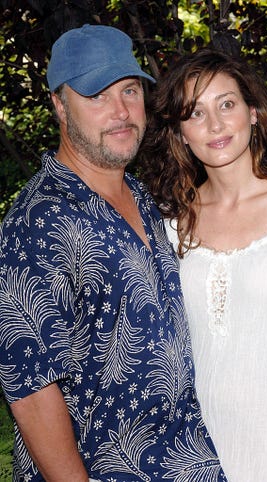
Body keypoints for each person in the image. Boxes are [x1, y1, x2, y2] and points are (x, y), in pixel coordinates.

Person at [0, 26, 227, 482]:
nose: (121, 111)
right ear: (59, 105)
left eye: (128, 89)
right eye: (96, 95)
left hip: (189, 462)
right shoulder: (37, 223)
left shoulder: (142, 196)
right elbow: (30, 388)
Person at [139, 47, 267, 481]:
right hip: (187, 459)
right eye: (196, 113)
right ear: (180, 132)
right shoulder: (168, 224)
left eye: (227, 104)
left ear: (253, 112)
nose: (215, 125)